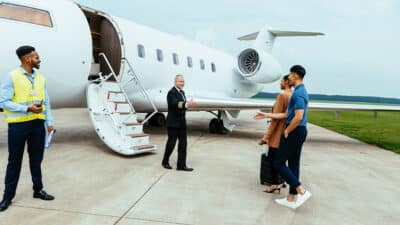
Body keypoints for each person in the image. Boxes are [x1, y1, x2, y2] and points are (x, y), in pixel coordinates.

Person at [0, 46, 55, 212]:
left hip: (38, 125)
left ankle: (38, 190)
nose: (39, 60)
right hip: (18, 125)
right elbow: (3, 102)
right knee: (14, 162)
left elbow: (46, 102)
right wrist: (27, 109)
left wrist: (49, 122)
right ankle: (7, 197)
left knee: (36, 160)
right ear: (26, 59)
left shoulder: (40, 78)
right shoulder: (12, 77)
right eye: (36, 57)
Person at [256, 65, 311, 209]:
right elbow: (287, 114)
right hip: (299, 131)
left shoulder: (298, 94)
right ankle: (292, 197)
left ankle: (300, 190)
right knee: (293, 164)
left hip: (295, 131)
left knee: (278, 162)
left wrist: (287, 131)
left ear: (296, 76)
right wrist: (266, 114)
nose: (289, 77)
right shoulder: (300, 91)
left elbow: (298, 116)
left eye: (290, 74)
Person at [254, 74, 292, 193]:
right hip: (287, 133)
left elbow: (275, 120)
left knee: (272, 159)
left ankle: (275, 184)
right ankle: (283, 181)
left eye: (281, 81)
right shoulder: (292, 95)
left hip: (278, 134)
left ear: (286, 82)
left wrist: (265, 138)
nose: (280, 83)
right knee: (282, 159)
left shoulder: (282, 95)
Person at [162, 74, 196, 171]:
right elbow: (175, 104)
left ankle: (181, 166)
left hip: (182, 123)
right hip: (173, 123)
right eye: (180, 81)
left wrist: (187, 104)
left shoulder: (182, 92)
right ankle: (165, 161)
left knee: (183, 144)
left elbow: (183, 105)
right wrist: (187, 104)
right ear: (175, 82)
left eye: (183, 81)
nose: (182, 83)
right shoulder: (171, 93)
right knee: (171, 143)